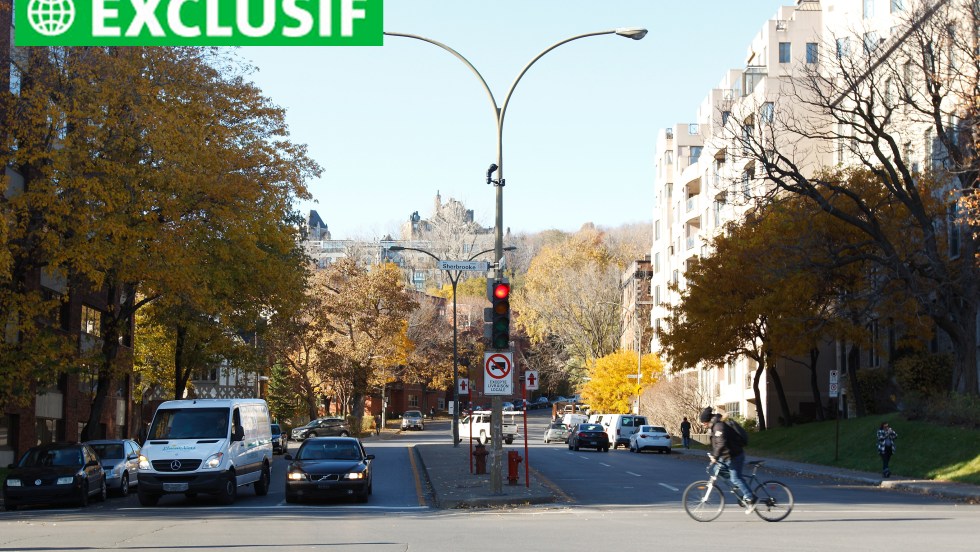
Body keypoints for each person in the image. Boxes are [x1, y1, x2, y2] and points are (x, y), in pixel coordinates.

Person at [700, 407, 757, 513]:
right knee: (717, 470)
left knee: (735, 478)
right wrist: (715, 455)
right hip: (727, 456)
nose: (703, 425)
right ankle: (739, 486)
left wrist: (715, 457)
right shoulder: (715, 425)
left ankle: (751, 498)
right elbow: (717, 444)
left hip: (735, 455)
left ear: (707, 421)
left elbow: (721, 443)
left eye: (703, 423)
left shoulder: (718, 426)